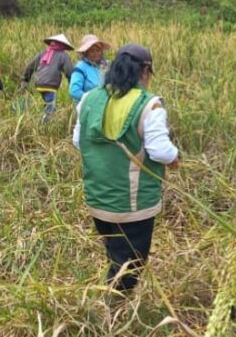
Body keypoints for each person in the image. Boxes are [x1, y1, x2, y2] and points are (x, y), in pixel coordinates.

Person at [73, 43, 179, 292]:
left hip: (98, 199)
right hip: (133, 205)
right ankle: (114, 310)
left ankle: (113, 300)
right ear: (144, 71)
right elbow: (160, 151)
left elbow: (78, 142)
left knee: (115, 252)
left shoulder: (90, 98)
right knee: (129, 266)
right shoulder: (149, 105)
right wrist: (175, 156)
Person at [20, 33, 74, 120]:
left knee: (47, 103)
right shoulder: (63, 56)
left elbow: (30, 66)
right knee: (50, 108)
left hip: (38, 84)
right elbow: (69, 71)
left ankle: (40, 120)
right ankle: (44, 124)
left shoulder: (43, 53)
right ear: (63, 45)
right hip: (50, 86)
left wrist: (25, 80)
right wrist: (73, 83)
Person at [69, 34, 110, 104]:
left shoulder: (106, 65)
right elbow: (74, 91)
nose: (96, 53)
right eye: (92, 51)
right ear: (85, 53)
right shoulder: (81, 67)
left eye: (98, 50)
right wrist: (91, 99)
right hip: (88, 108)